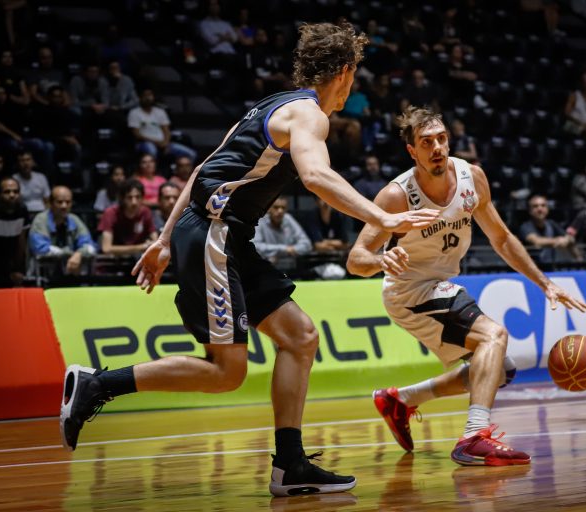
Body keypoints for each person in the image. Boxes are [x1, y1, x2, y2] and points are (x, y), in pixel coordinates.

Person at [59, 22, 438, 497]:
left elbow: (204, 167)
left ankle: (290, 465)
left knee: (300, 337)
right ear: (344, 71)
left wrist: (164, 238)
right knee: (227, 372)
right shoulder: (309, 115)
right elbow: (317, 176)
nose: (352, 85)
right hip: (214, 235)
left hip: (223, 236)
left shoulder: (274, 104)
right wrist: (382, 216)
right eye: (354, 75)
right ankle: (97, 385)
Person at [346, 106, 586, 466]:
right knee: (494, 336)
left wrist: (545, 283)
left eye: (441, 139)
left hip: (439, 283)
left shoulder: (471, 177)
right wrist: (382, 260)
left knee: (499, 369)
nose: (437, 148)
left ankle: (400, 400)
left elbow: (501, 238)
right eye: (426, 142)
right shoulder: (397, 196)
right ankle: (474, 436)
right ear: (412, 151)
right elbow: (355, 259)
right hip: (409, 291)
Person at [29, 186, 96, 275]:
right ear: (50, 203)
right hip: (44, 274)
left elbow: (90, 247)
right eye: (59, 202)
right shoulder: (41, 220)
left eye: (68, 202)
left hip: (70, 273)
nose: (64, 206)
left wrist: (79, 254)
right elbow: (41, 249)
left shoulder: (74, 220)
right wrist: (71, 254)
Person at [127, 88, 198, 163]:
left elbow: (166, 130)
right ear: (140, 97)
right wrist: (157, 142)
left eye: (150, 95)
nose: (147, 98)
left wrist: (166, 144)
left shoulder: (160, 111)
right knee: (152, 150)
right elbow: (137, 134)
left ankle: (186, 170)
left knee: (191, 154)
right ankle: (152, 170)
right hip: (144, 142)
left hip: (163, 143)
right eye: (145, 95)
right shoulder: (134, 112)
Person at [97, 178, 157, 256]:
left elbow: (155, 241)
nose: (134, 202)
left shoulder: (146, 212)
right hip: (114, 259)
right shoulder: (110, 213)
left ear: (142, 198)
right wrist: (141, 247)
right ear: (122, 199)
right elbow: (106, 248)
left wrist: (152, 244)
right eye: (129, 197)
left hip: (138, 258)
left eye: (137, 197)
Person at [253, 196, 312, 270]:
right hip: (266, 268)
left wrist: (276, 252)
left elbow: (307, 244)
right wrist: (285, 249)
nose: (280, 211)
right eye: (276, 207)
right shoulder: (261, 221)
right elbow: (256, 246)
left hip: (291, 269)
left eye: (283, 208)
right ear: (269, 208)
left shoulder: (288, 219)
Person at [519, 194, 576, 264]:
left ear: (547, 209)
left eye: (543, 205)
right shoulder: (525, 226)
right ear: (530, 211)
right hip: (530, 267)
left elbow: (569, 237)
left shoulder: (551, 224)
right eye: (535, 206)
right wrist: (558, 240)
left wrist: (568, 240)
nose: (540, 209)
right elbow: (537, 241)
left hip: (550, 267)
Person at [12, 151, 51, 216]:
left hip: (41, 211)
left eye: (28, 160)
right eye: (22, 160)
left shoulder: (41, 177)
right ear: (17, 163)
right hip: (22, 212)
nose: (25, 163)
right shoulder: (13, 179)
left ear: (33, 162)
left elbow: (47, 199)